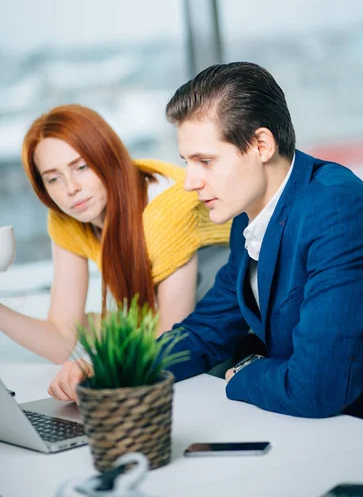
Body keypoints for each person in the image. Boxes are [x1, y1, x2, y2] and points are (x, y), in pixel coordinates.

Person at [47, 64, 363, 430]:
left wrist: (246, 373)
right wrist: (112, 368)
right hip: (311, 428)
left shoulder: (337, 211)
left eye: (205, 161)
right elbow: (205, 331)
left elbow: (318, 387)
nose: (189, 182)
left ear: (261, 145)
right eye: (187, 162)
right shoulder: (247, 217)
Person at [0, 104, 231, 364]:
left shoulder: (165, 210)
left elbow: (171, 344)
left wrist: (94, 368)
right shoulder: (67, 217)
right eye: (53, 179)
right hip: (175, 324)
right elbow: (61, 341)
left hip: (237, 329)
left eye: (82, 167)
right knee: (89, 327)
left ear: (107, 157)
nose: (71, 188)